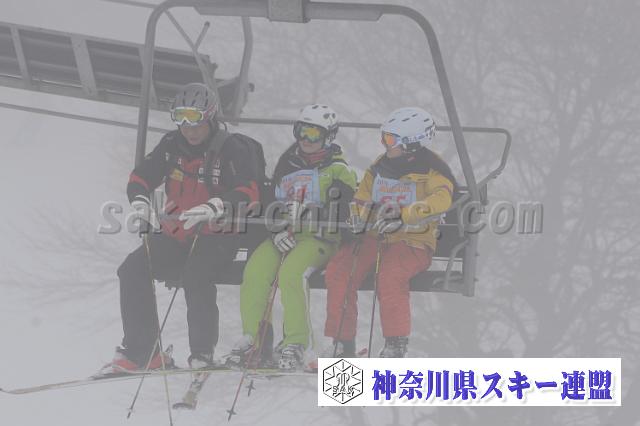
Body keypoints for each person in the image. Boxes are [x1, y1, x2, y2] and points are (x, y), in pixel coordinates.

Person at [100, 82, 262, 374]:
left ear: (210, 117)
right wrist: (140, 202)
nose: (189, 130)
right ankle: (143, 351)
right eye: (182, 121)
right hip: (177, 232)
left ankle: (202, 353)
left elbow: (249, 190)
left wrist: (216, 205)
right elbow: (141, 177)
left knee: (195, 274)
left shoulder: (232, 149)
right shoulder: (171, 146)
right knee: (132, 269)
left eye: (195, 121)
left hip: (218, 235)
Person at [227, 104, 357, 371]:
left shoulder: (338, 169)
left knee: (291, 274)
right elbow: (271, 203)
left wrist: (311, 211)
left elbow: (343, 210)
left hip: (319, 238)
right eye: (301, 131)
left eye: (313, 134)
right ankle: (254, 339)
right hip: (286, 235)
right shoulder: (287, 164)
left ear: (328, 137)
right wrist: (275, 230)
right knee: (255, 272)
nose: (305, 139)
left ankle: (296, 343)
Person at [321, 107, 456, 358]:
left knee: (390, 276)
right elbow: (362, 197)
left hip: (412, 240)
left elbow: (441, 200)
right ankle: (343, 343)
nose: (385, 144)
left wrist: (404, 215)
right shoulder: (380, 165)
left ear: (412, 143)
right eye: (384, 137)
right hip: (376, 235)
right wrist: (358, 218)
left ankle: (396, 344)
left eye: (391, 139)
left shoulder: (433, 169)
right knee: (340, 271)